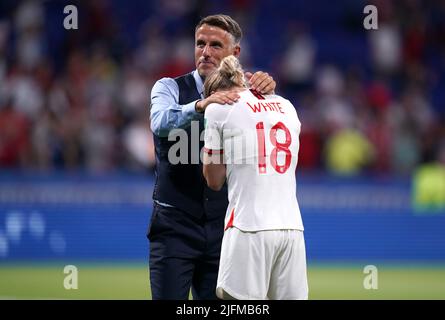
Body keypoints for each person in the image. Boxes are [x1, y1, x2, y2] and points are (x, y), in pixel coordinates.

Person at [148, 14, 276, 300]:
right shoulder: (169, 87)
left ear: (235, 53)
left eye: (216, 45)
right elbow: (159, 122)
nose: (205, 52)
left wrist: (270, 96)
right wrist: (201, 105)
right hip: (174, 227)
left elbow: (272, 132)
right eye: (200, 44)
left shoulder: (250, 95)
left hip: (225, 229)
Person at [202, 55, 308, 300]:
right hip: (291, 227)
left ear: (215, 92)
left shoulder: (218, 109)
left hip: (248, 226)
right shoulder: (287, 106)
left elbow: (214, 180)